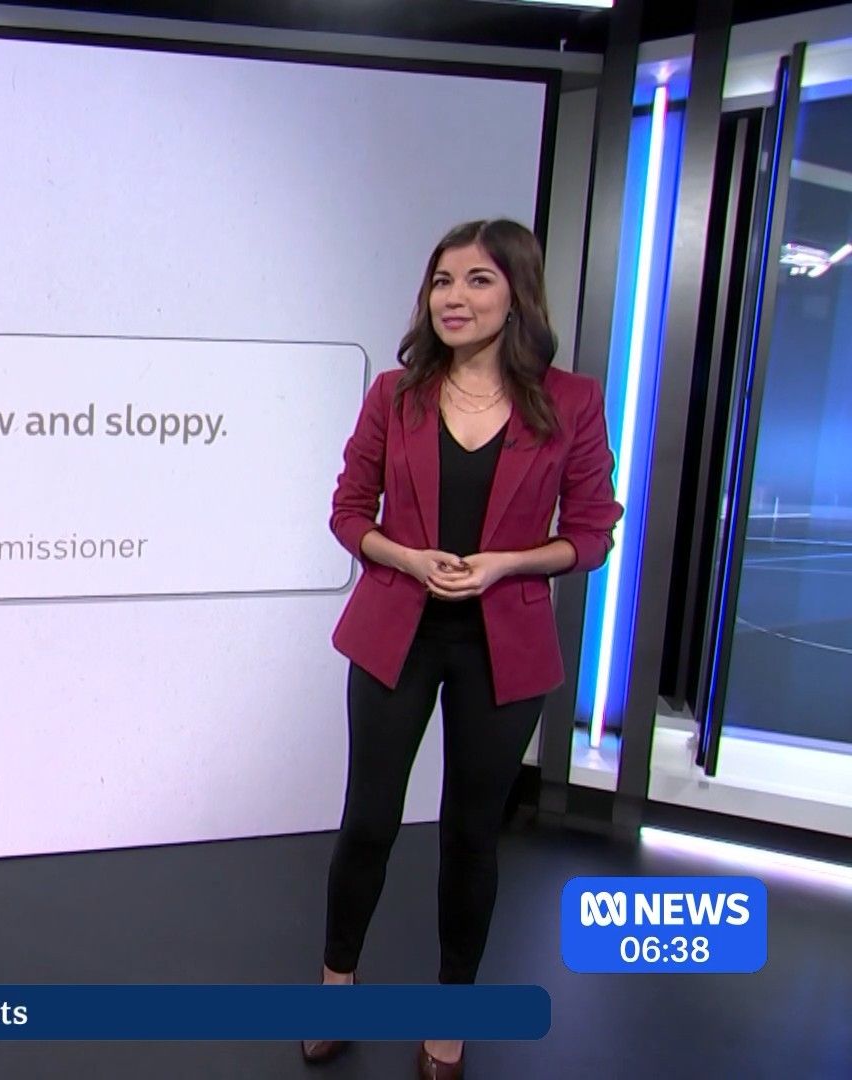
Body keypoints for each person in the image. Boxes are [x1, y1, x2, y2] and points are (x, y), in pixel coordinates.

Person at [300, 219, 622, 1079]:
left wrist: (507, 562)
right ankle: (335, 987)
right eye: (443, 280)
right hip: (395, 632)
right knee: (369, 819)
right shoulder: (395, 395)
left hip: (504, 645)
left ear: (517, 294)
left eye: (478, 280)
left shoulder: (572, 401)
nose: (454, 297)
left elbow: (593, 533)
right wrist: (406, 557)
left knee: (472, 835)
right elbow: (348, 512)